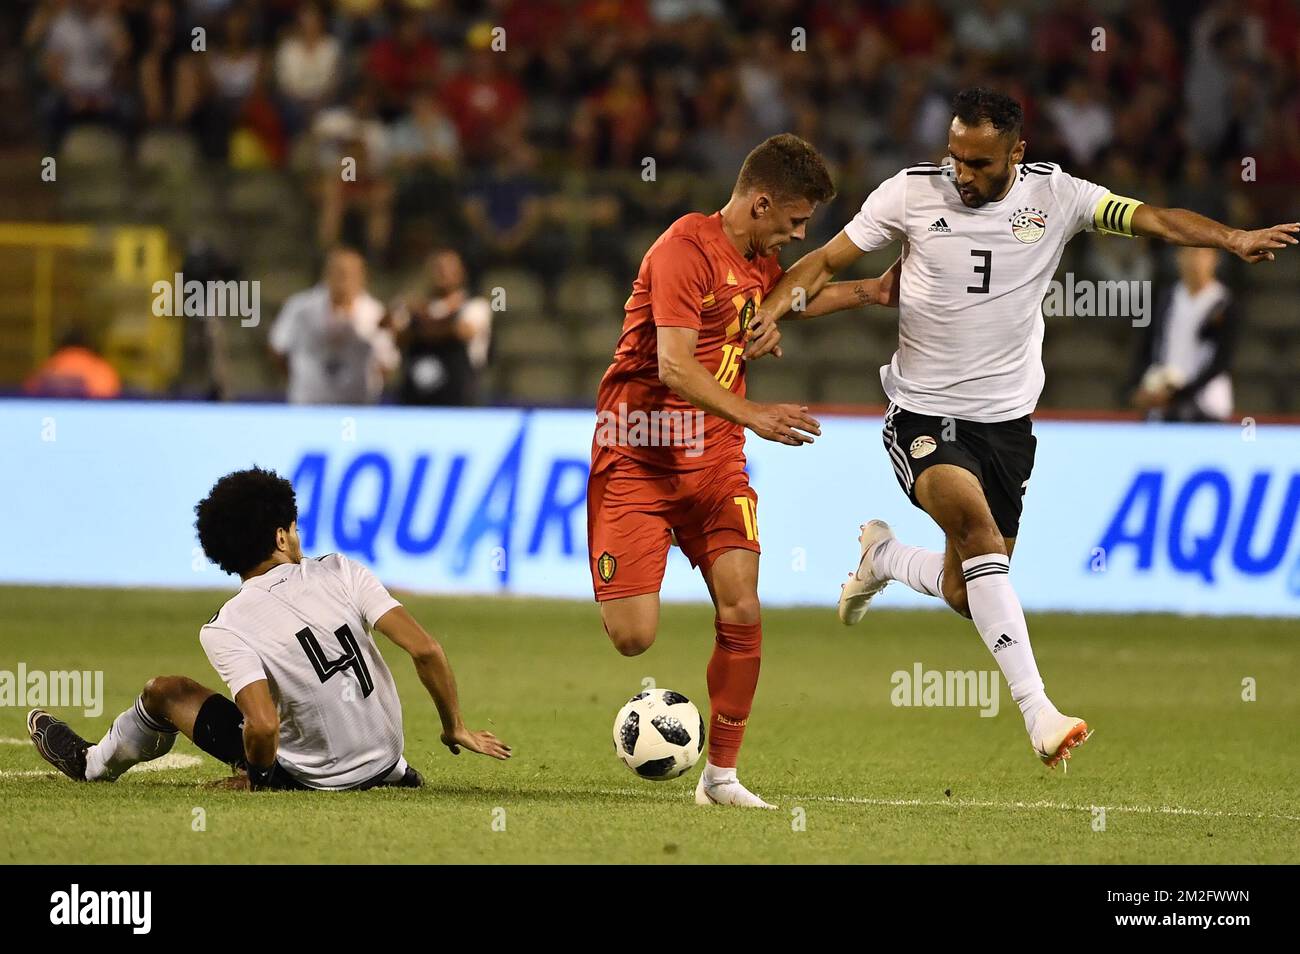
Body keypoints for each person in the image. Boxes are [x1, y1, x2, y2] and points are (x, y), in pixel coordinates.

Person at [743, 88, 1298, 769]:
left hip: (1006, 425)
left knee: (964, 585)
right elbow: (826, 261)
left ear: (1016, 153)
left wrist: (1232, 236)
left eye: (978, 164)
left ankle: (882, 558)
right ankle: (1040, 713)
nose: (962, 175)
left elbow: (1150, 218)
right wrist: (772, 308)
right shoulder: (909, 194)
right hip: (923, 412)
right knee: (979, 536)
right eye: (954, 158)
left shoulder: (1057, 196)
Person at [588, 134, 898, 808]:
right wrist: (754, 412)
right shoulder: (683, 252)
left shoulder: (758, 260)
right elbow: (673, 365)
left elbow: (794, 298)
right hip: (636, 457)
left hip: (715, 463)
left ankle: (721, 776)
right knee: (633, 638)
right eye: (793, 219)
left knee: (743, 605)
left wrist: (871, 291)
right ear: (760, 203)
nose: (798, 232)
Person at [28, 467, 510, 791]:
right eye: (294, 528)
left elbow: (260, 726)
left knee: (166, 691)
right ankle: (391, 774)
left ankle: (93, 765)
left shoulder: (227, 625)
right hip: (390, 766)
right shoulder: (342, 570)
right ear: (281, 536)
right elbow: (425, 650)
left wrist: (256, 778)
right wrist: (455, 727)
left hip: (309, 781)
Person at [268, 247, 399, 405]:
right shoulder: (301, 307)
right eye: (338, 272)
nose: (344, 278)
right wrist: (300, 378)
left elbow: (386, 363)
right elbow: (278, 349)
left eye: (350, 273)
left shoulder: (375, 313)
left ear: (362, 276)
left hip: (356, 406)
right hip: (309, 404)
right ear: (326, 273)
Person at [1132, 247, 1236, 422]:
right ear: (1178, 257)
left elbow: (1221, 360)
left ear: (1214, 259)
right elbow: (1149, 346)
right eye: (1189, 253)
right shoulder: (1165, 299)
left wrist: (1181, 394)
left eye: (1202, 254)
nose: (1195, 261)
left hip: (1208, 403)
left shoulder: (1223, 303)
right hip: (1163, 399)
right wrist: (1142, 386)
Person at [390, 248, 492, 406]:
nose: (442, 273)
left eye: (448, 268)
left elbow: (463, 331)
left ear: (461, 272)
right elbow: (398, 336)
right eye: (438, 267)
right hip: (415, 402)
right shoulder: (414, 306)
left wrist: (421, 319)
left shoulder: (475, 306)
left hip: (459, 403)